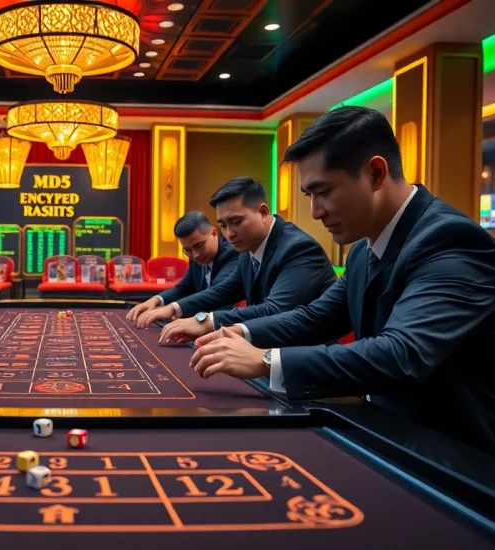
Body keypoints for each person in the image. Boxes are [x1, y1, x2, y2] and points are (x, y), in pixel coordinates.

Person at [188, 106, 495, 453]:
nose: (316, 212)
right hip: (385, 431)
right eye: (310, 196)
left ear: (376, 173)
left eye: (324, 192)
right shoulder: (364, 250)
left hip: (455, 459)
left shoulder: (450, 239)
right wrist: (237, 333)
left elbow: (401, 353)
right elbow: (316, 318)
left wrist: (266, 360)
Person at [159, 176, 336, 344]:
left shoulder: (299, 248)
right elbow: (224, 291)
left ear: (263, 212)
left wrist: (205, 321)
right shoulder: (247, 249)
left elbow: (273, 310)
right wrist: (173, 307)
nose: (229, 234)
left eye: (236, 221)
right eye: (223, 225)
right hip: (265, 349)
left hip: (304, 362)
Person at [127, 211, 238, 328]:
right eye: (187, 250)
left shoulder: (233, 253)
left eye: (199, 245)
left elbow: (216, 293)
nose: (195, 255)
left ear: (213, 233)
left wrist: (173, 309)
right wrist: (154, 301)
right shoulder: (197, 257)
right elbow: (183, 287)